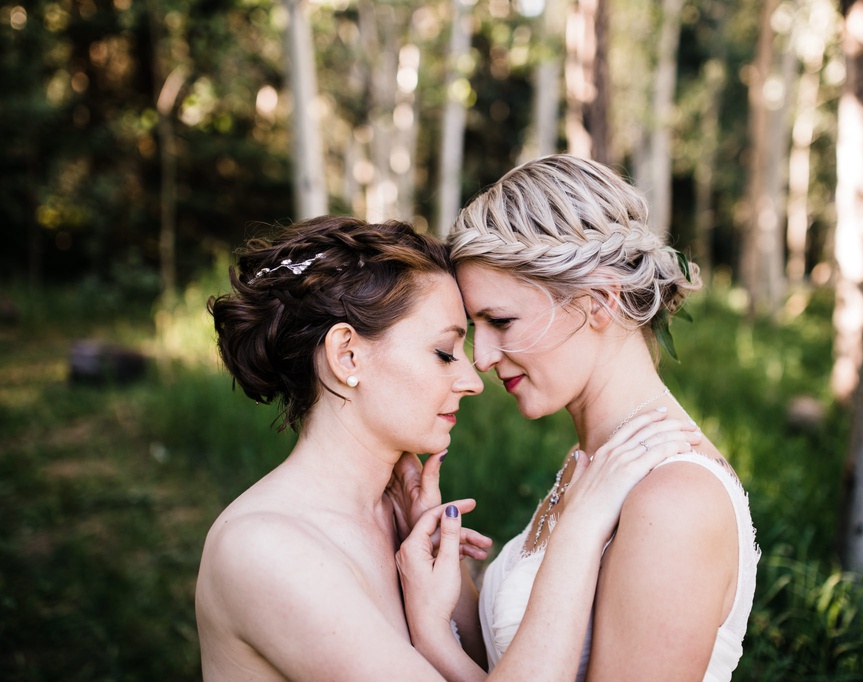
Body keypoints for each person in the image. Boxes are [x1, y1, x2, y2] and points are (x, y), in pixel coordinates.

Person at [194, 215, 698, 681]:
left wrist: (449, 596)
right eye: (443, 352)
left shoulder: (402, 519)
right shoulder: (266, 548)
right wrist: (578, 532)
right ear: (347, 355)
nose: (473, 379)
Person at [400, 154, 760, 682]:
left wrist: (435, 643)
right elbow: (517, 658)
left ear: (598, 300)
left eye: (500, 321)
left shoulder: (673, 501)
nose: (483, 357)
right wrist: (444, 564)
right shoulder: (591, 462)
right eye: (477, 326)